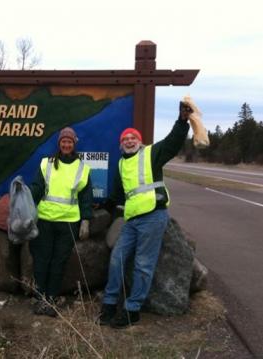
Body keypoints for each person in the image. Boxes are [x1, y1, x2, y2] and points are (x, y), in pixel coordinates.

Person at [98, 101, 194, 328]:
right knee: (116, 260)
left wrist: (182, 121)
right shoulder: (121, 165)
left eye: (132, 137)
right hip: (131, 220)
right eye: (125, 139)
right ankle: (110, 304)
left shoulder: (151, 154)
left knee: (143, 264)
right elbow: (117, 195)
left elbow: (173, 143)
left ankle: (132, 309)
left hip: (153, 216)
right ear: (121, 145)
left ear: (139, 142)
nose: (129, 140)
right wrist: (102, 209)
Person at [29, 127, 93, 317]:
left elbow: (86, 197)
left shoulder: (82, 168)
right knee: (42, 260)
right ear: (59, 144)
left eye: (69, 142)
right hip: (45, 220)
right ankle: (40, 298)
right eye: (63, 141)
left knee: (59, 262)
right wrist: (24, 201)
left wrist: (86, 220)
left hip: (68, 222)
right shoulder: (46, 164)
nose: (66, 144)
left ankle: (52, 299)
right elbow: (36, 188)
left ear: (74, 144)